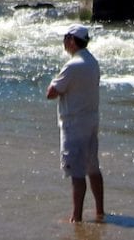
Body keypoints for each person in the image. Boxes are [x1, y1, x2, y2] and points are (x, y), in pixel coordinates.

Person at [46, 24, 104, 223]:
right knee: (93, 168)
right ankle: (100, 211)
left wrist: (53, 82)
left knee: (77, 173)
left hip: (73, 124)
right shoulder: (93, 62)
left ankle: (76, 217)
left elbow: (51, 93)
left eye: (65, 38)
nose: (64, 42)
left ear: (71, 40)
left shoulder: (72, 65)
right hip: (91, 120)